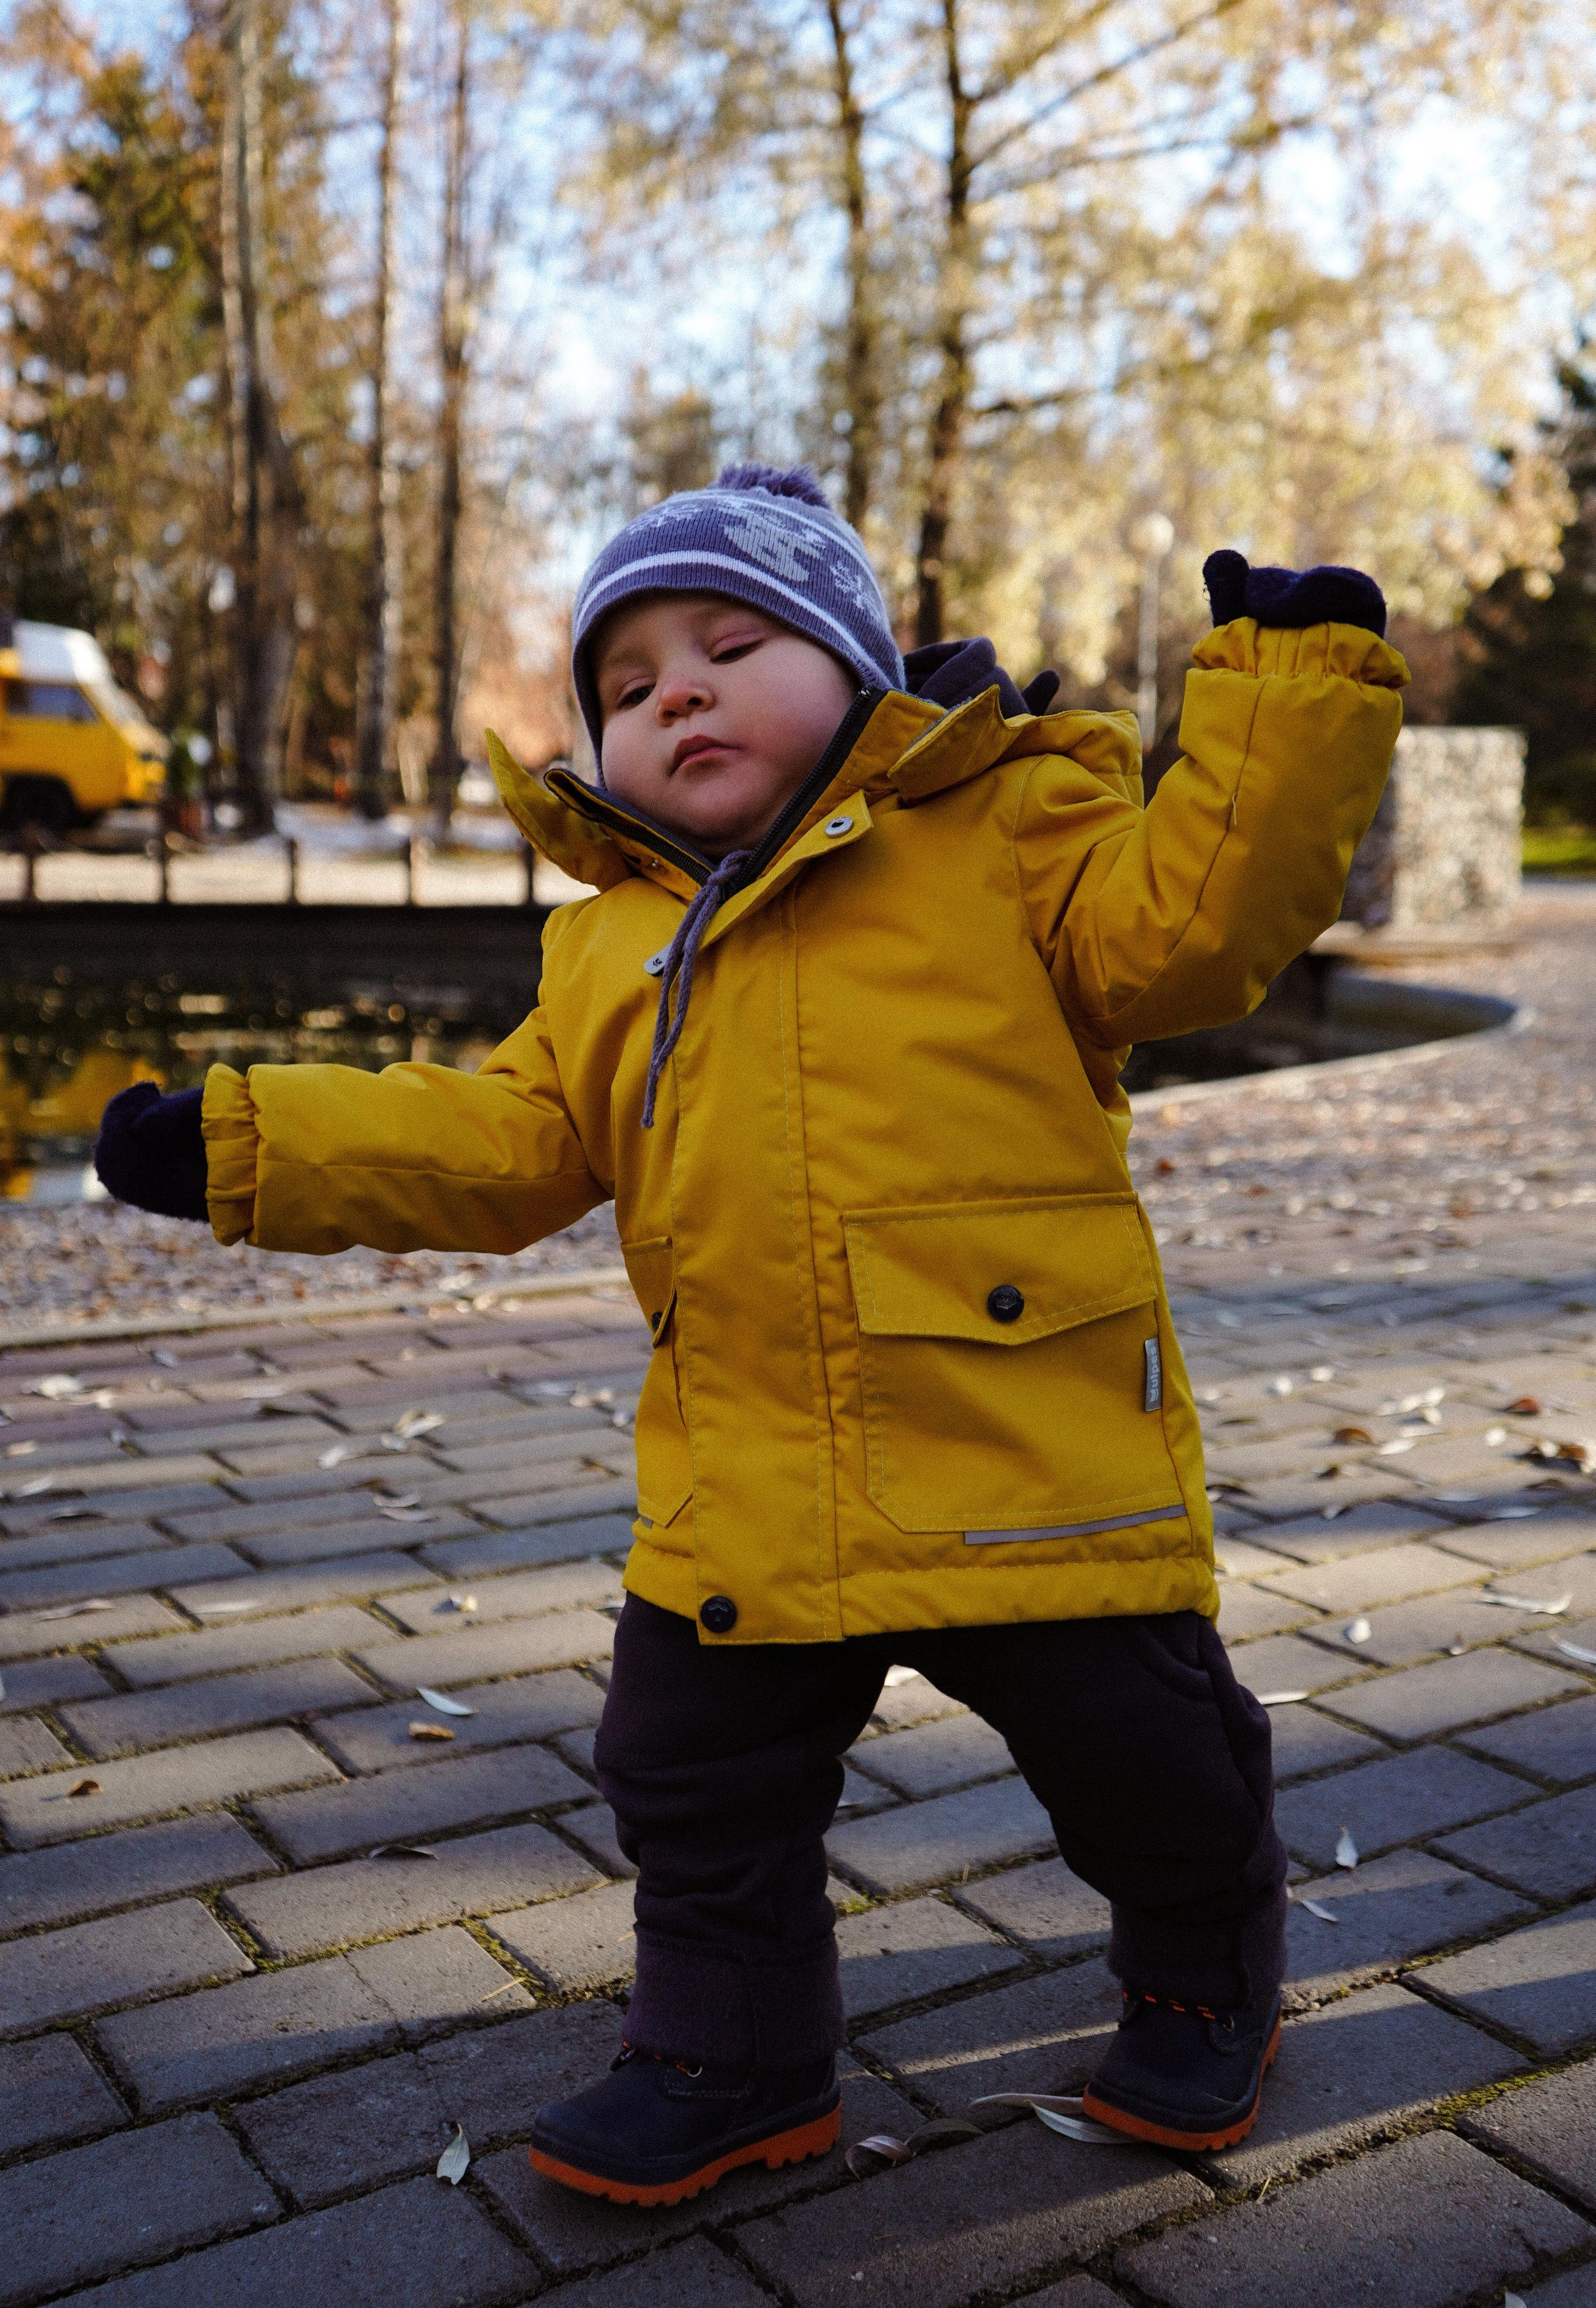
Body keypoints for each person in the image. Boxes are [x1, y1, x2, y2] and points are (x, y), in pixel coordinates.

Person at [94, 464, 1406, 2205]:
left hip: (1026, 1454)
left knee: (1145, 1757)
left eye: (732, 648)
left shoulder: (1006, 833)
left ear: (857, 669)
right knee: (689, 1780)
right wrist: (249, 1142)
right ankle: (735, 2053)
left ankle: (1200, 1976)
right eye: (629, 685)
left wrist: (1285, 698)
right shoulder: (613, 946)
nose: (678, 698)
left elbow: (1196, 932)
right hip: (752, 1472)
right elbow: (496, 1144)